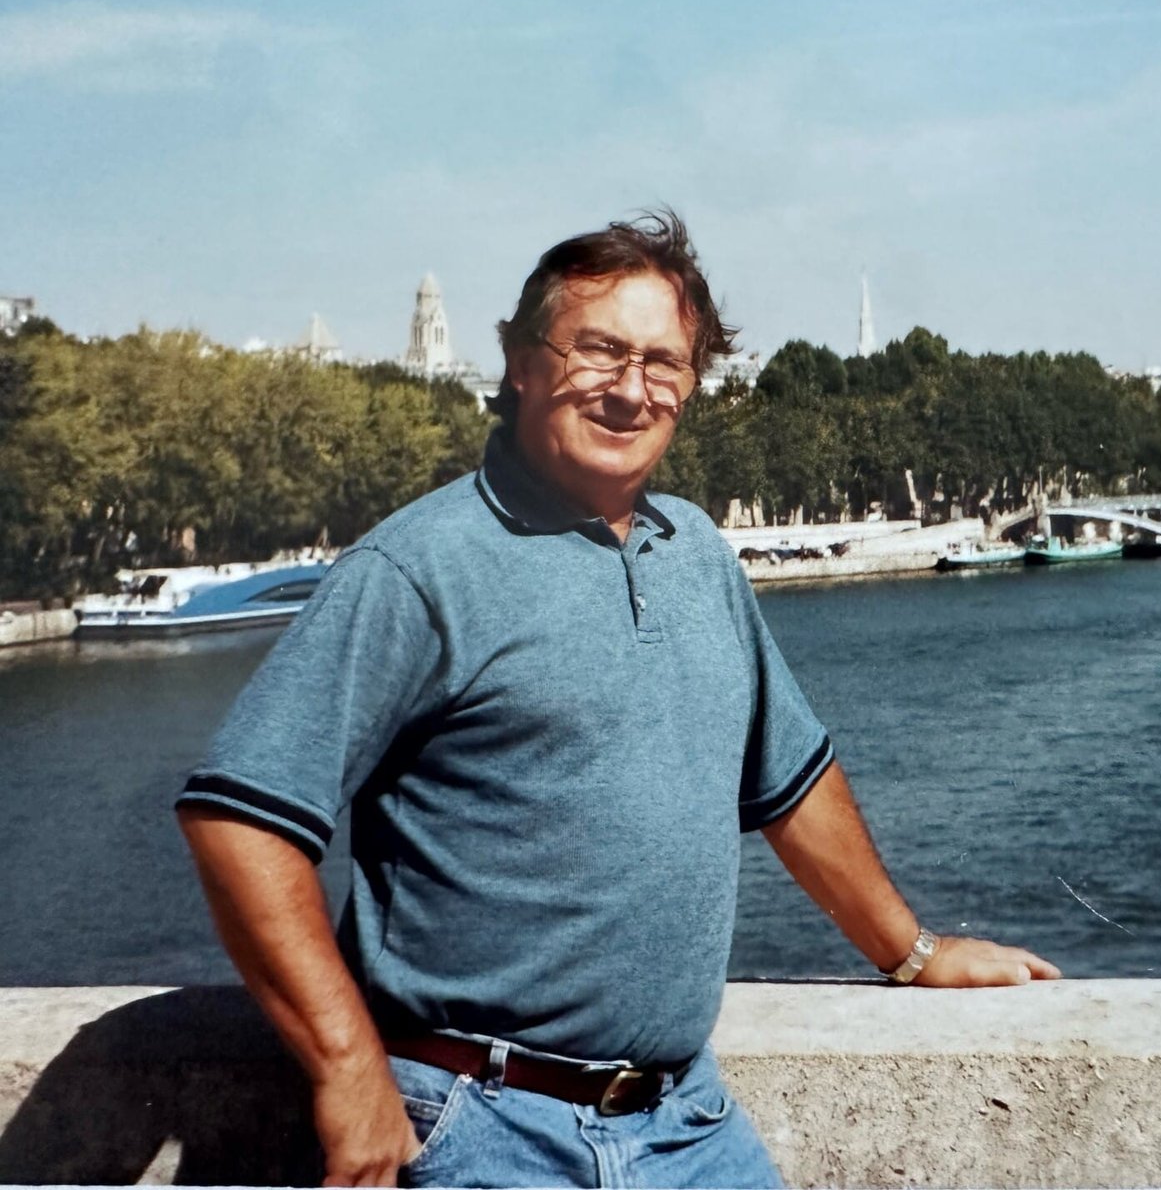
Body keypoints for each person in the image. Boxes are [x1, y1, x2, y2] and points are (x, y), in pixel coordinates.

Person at [176, 211, 1059, 1189]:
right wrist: (347, 1070)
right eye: (599, 351)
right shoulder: (416, 570)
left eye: (664, 363)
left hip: (687, 1123)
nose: (633, 390)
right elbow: (238, 820)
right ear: (519, 365)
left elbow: (791, 785)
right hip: (479, 1133)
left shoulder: (698, 555)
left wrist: (913, 953)